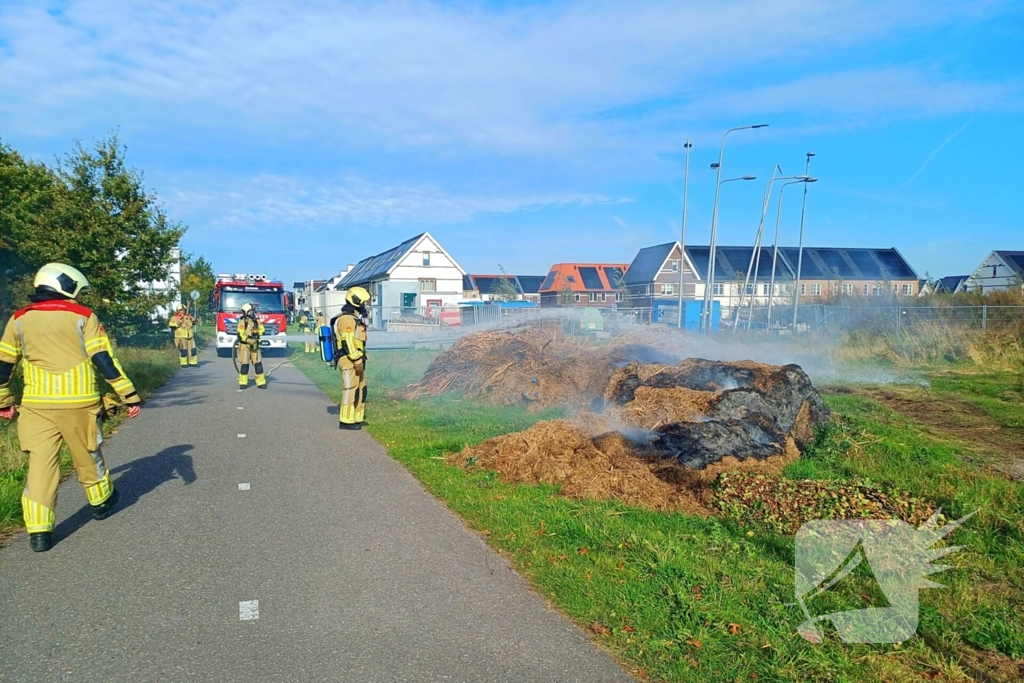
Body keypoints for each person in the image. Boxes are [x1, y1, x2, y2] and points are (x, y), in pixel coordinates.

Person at [0, 263, 141, 552]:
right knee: (88, 454)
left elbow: (4, 365)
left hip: (37, 406)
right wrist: (128, 394)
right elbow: (103, 360)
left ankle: (39, 532)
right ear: (65, 285)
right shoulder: (83, 316)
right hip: (78, 402)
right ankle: (101, 503)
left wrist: (4, 401)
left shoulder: (18, 319)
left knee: (40, 466)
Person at [333, 287, 369, 430]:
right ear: (356, 302)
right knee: (350, 388)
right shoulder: (347, 319)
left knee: (361, 388)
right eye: (363, 303)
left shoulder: (354, 318)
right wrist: (356, 359)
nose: (364, 306)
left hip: (357, 358)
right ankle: (346, 420)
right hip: (349, 359)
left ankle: (356, 417)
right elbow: (347, 342)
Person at [236, 303, 266, 389]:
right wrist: (248, 340)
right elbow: (240, 334)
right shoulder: (242, 322)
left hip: (255, 346)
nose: (253, 312)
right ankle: (243, 382)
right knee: (245, 365)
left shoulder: (256, 321)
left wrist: (257, 332)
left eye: (253, 311)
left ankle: (261, 382)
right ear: (246, 312)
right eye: (251, 311)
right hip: (245, 347)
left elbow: (263, 330)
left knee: (258, 365)